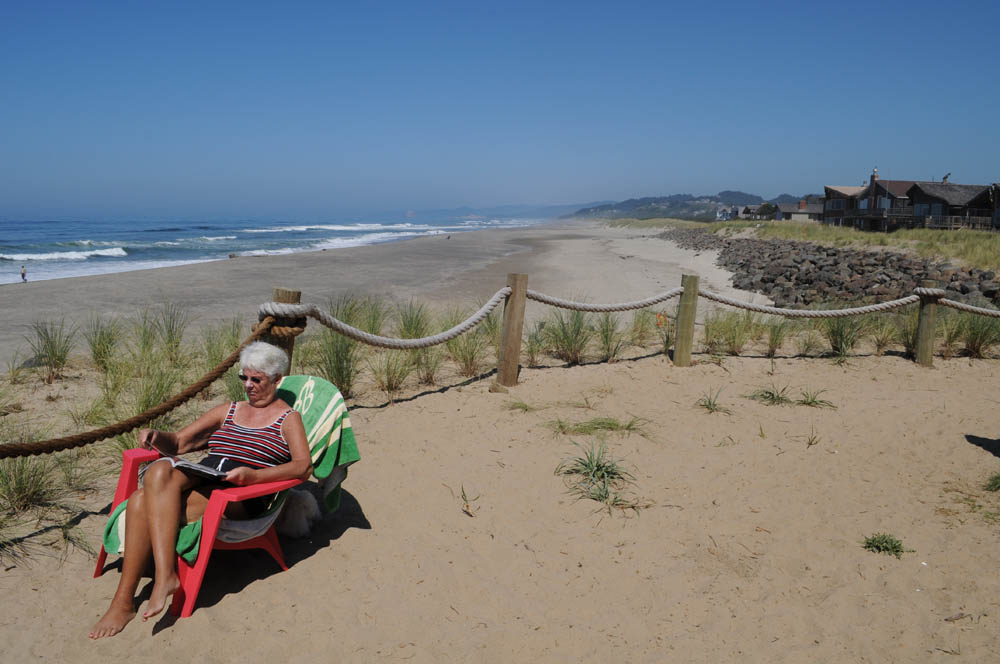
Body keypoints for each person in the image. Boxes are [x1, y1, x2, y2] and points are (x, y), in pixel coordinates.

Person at [89, 342, 312, 639]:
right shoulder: (229, 410)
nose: (248, 386)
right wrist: (157, 436)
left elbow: (302, 467)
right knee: (157, 471)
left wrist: (254, 476)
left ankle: (124, 601)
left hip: (239, 494)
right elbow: (179, 443)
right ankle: (165, 576)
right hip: (207, 475)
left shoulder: (288, 419)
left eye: (256, 379)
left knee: (140, 502)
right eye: (243, 378)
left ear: (277, 379)